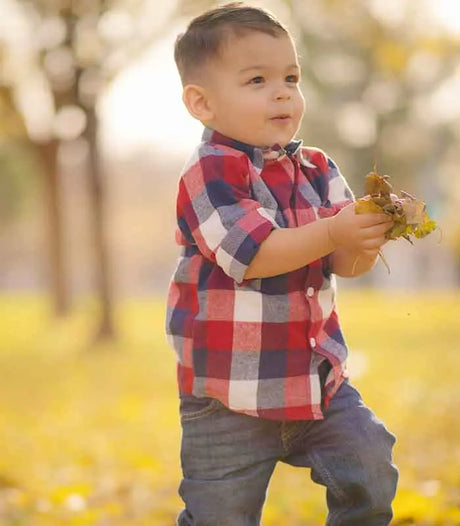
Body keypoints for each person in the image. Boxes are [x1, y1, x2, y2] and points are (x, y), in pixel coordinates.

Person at [166, 3, 398, 525]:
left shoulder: (316, 166)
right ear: (201, 102)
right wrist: (333, 228)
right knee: (220, 515)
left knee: (369, 464)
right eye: (257, 79)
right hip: (229, 395)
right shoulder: (211, 170)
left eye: (291, 77)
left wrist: (363, 237)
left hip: (317, 380)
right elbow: (254, 257)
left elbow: (343, 263)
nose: (282, 92)